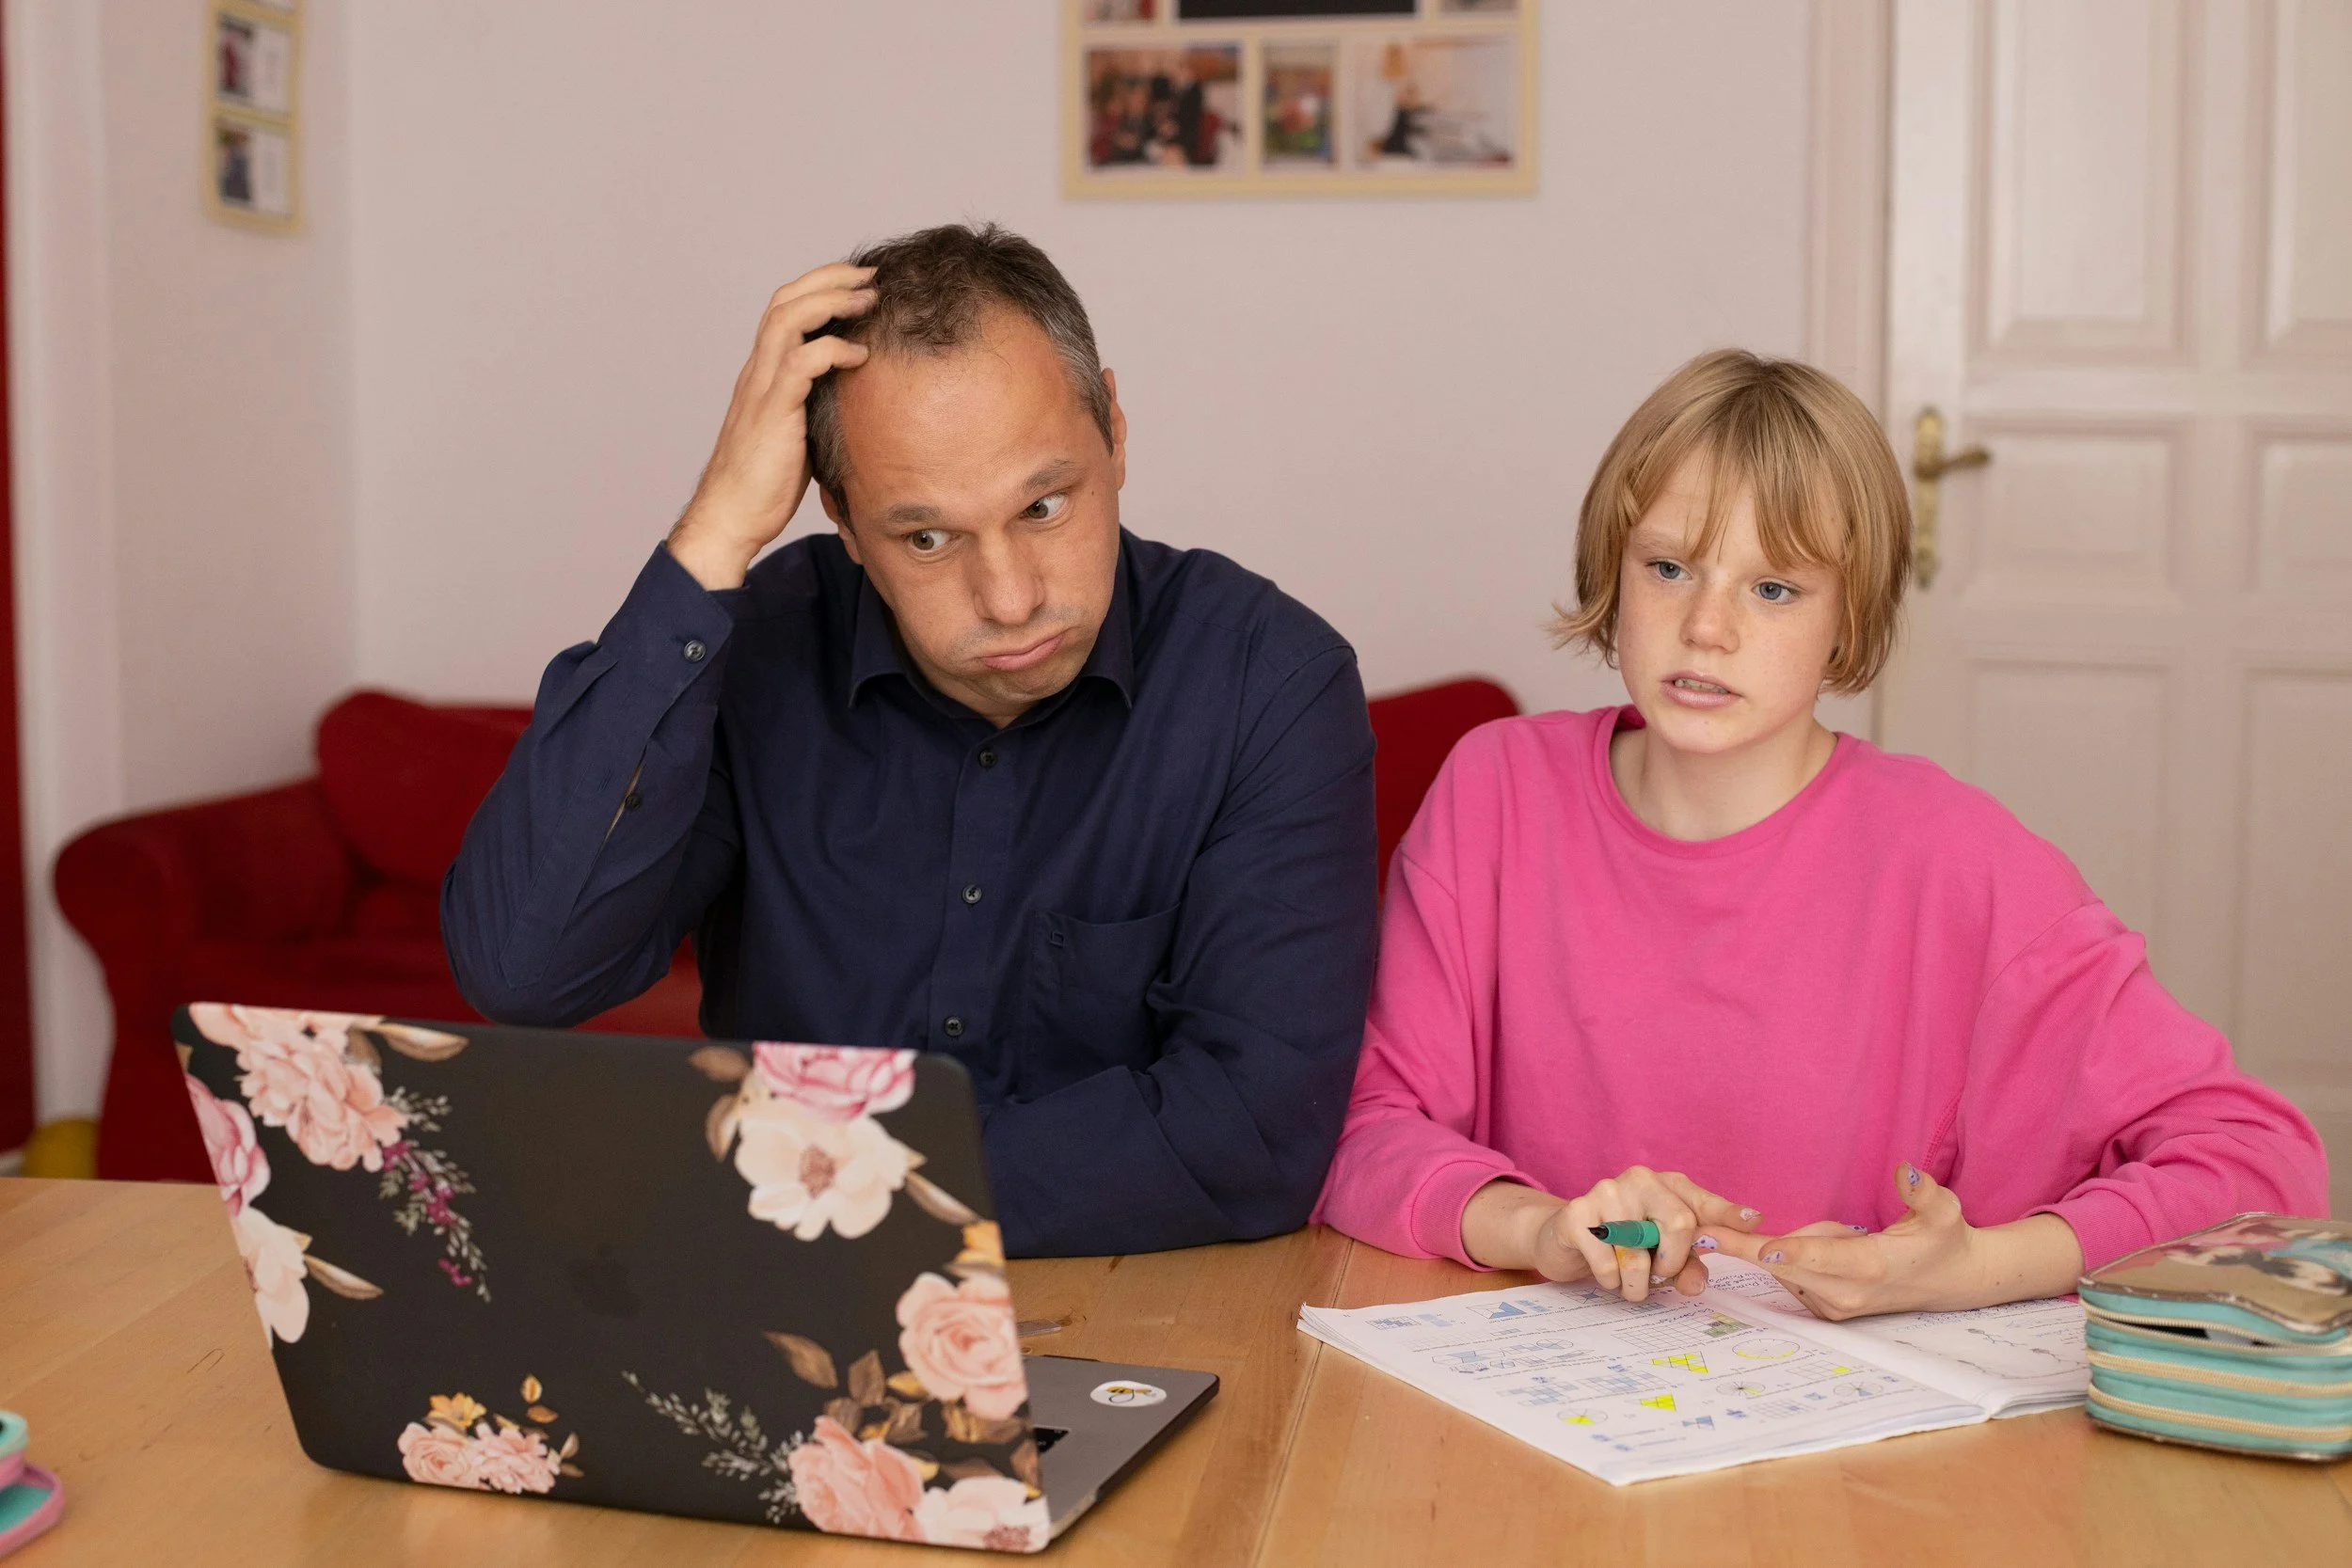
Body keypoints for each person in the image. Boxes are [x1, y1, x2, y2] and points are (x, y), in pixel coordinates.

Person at [1312, 349, 2329, 1320]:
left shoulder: (1957, 859)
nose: (1707, 627)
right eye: (1668, 567)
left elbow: (2258, 1158)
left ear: (1848, 619)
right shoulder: (1495, 791)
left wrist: (1976, 1266)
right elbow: (1360, 1128)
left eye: (1772, 588)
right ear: (1610, 574)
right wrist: (1540, 1228)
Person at [443, 224, 1379, 1258]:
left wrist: (850, 1186)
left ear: (1114, 428)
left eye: (1045, 503)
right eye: (926, 536)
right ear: (840, 517)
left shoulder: (1268, 680)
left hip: (1146, 1297)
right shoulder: (746, 652)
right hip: (790, 1309)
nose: (1011, 596)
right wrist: (713, 531)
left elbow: (1254, 1132)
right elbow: (525, 971)